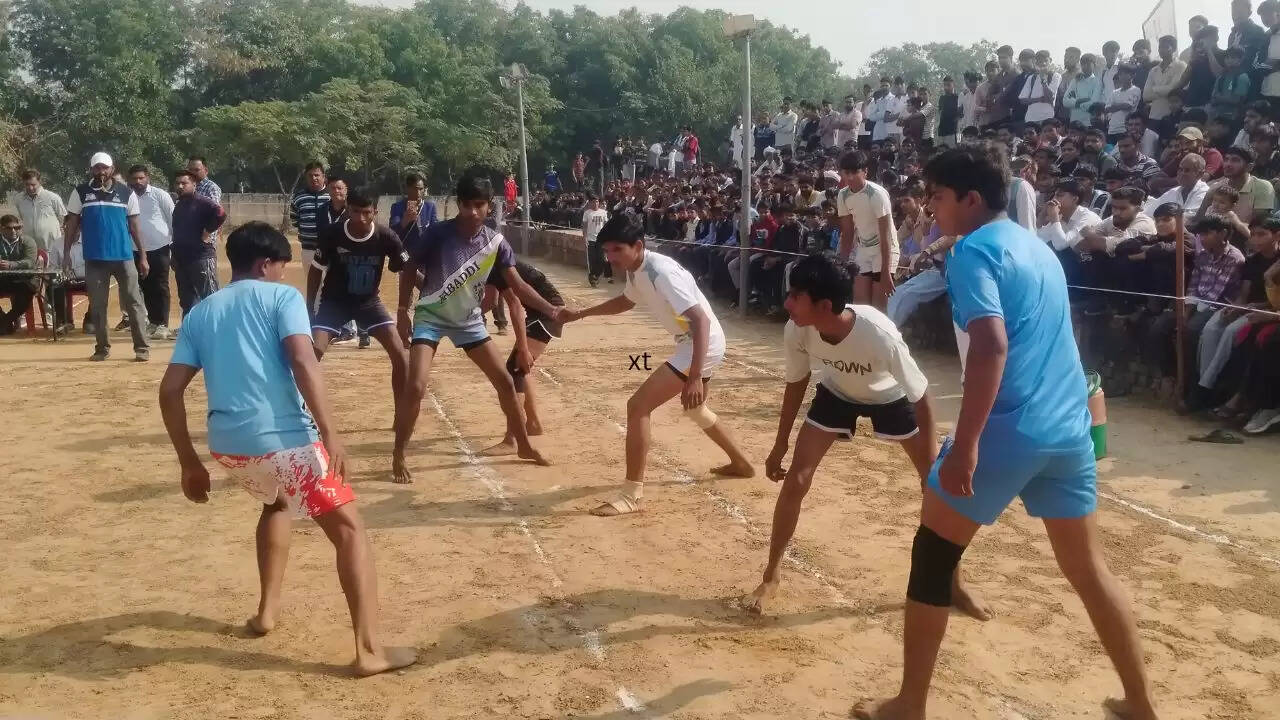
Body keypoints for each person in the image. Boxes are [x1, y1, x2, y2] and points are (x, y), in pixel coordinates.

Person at [853, 146, 1157, 720]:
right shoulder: (1037, 247)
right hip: (1067, 428)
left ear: (970, 198)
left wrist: (966, 444)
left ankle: (910, 704)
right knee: (1089, 569)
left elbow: (991, 346)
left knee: (933, 558)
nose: (931, 208)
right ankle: (1140, 702)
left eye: (938, 196)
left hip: (1010, 426)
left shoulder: (973, 250)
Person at [156, 221, 416, 677]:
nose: (282, 273)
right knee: (350, 530)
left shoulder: (200, 312)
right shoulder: (282, 298)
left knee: (276, 504)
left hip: (229, 447)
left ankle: (266, 614)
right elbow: (301, 358)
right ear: (265, 264)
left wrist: (188, 462)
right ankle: (369, 650)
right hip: (285, 440)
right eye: (280, 265)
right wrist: (330, 433)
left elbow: (170, 390)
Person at [741, 254, 989, 621]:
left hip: (892, 398)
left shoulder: (878, 334)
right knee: (796, 480)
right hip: (837, 393)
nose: (787, 303)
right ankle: (771, 575)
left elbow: (921, 395)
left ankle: (954, 581)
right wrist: (780, 443)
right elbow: (796, 382)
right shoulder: (797, 329)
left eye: (795, 296)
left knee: (934, 488)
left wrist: (932, 464)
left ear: (824, 306)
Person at [560, 213, 754, 516]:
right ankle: (741, 463)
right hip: (695, 342)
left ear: (638, 245)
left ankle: (631, 495)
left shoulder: (660, 272)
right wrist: (581, 314)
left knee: (638, 406)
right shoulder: (637, 270)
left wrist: (694, 376)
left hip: (701, 343)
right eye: (607, 251)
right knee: (696, 410)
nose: (610, 258)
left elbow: (700, 321)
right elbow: (626, 301)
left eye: (617, 250)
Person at [392, 176, 561, 483]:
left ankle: (523, 445)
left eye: (479, 205)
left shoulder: (496, 243)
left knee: (506, 383)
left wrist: (552, 310)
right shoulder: (438, 233)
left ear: (489, 207)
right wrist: (403, 311)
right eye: (466, 205)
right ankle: (399, 453)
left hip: (468, 322)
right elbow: (409, 266)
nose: (472, 212)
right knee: (415, 386)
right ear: (459, 204)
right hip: (430, 317)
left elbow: (518, 287)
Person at [307, 191, 409, 402]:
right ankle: (298, 406)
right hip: (334, 303)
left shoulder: (386, 236)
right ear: (347, 210)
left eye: (366, 212)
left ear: (375, 212)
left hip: (368, 303)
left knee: (400, 354)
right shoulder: (332, 234)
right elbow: (316, 270)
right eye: (355, 211)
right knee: (313, 352)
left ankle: (402, 412)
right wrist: (309, 307)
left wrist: (429, 288)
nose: (361, 218)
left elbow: (407, 269)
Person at [64, 152, 151, 362]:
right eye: (97, 168)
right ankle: (102, 348)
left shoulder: (126, 193)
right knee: (98, 305)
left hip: (123, 257)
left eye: (105, 167)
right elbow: (72, 224)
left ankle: (142, 348)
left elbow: (135, 227)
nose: (101, 171)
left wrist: (143, 256)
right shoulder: (80, 192)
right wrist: (66, 253)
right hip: (95, 259)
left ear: (112, 169)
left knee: (134, 303)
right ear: (91, 169)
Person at [479, 259, 565, 456]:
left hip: (547, 314)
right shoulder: (494, 260)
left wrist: (523, 348)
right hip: (543, 312)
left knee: (515, 370)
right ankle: (532, 423)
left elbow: (508, 304)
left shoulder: (494, 262)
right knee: (521, 369)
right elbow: (492, 300)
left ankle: (512, 440)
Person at [835, 150, 899, 310]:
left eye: (854, 172)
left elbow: (886, 235)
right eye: (846, 173)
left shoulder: (877, 194)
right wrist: (842, 264)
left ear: (865, 171)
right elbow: (848, 232)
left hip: (885, 250)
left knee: (879, 309)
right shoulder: (842, 195)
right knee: (860, 307)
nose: (850, 177)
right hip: (863, 250)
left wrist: (886, 272)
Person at [171, 171, 227, 319]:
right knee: (187, 300)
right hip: (182, 259)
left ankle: (217, 327)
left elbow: (221, 213)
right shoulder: (179, 204)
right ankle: (190, 328)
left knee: (211, 297)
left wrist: (207, 231)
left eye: (184, 183)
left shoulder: (202, 201)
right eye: (177, 183)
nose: (180, 186)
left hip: (201, 257)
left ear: (194, 184)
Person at [128, 165, 175, 339]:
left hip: (160, 247)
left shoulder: (160, 195)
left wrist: (174, 245)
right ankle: (153, 322)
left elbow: (172, 219)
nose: (138, 181)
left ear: (147, 178)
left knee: (160, 285)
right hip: (136, 249)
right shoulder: (127, 197)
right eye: (134, 178)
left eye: (141, 178)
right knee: (144, 286)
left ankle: (163, 324)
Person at [290, 162, 330, 277]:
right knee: (311, 281)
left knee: (329, 282)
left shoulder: (331, 196)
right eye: (310, 175)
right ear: (306, 177)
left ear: (323, 176)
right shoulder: (299, 197)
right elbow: (294, 219)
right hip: (308, 249)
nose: (314, 178)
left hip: (329, 249)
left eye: (317, 175)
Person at [0, 214, 38, 335]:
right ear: (1, 228)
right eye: (9, 228)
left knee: (25, 295)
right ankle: (3, 320)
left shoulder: (28, 241)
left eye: (17, 228)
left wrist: (12, 264)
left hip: (24, 280)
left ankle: (4, 322)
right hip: (3, 279)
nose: (14, 231)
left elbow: (30, 262)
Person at [14, 169, 66, 255]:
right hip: (31, 249)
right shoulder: (19, 199)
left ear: (39, 182)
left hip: (52, 248)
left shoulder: (52, 197)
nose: (30, 188)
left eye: (33, 184)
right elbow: (21, 219)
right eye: (27, 184)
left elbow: (63, 217)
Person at [582, 193, 610, 287]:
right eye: (593, 202)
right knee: (592, 260)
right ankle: (592, 277)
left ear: (599, 202)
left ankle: (595, 276)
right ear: (590, 203)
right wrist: (585, 238)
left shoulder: (603, 212)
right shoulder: (587, 213)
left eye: (597, 201)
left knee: (602, 260)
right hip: (590, 239)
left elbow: (606, 226)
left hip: (600, 239)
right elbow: (584, 227)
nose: (595, 203)